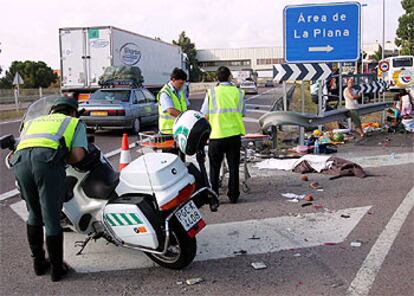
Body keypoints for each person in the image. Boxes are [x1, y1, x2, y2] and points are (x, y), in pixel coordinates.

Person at [11, 96, 88, 282]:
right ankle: (57, 269)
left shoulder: (35, 121)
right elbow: (78, 155)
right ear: (72, 111)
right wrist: (61, 158)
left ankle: (38, 264)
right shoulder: (74, 122)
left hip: (19, 162)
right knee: (51, 218)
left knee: (34, 214)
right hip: (46, 163)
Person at [200, 66, 246, 203]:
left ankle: (214, 197)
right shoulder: (238, 92)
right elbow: (242, 113)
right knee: (233, 167)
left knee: (214, 168)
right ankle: (233, 196)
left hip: (216, 135)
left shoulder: (211, 93)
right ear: (229, 77)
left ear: (216, 78)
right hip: (234, 135)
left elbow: (204, 114)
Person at [157, 68, 190, 135]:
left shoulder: (181, 92)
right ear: (173, 79)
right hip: (168, 131)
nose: (182, 86)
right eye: (180, 83)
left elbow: (187, 106)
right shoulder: (165, 93)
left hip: (180, 129)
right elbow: (171, 111)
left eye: (183, 83)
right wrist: (186, 118)